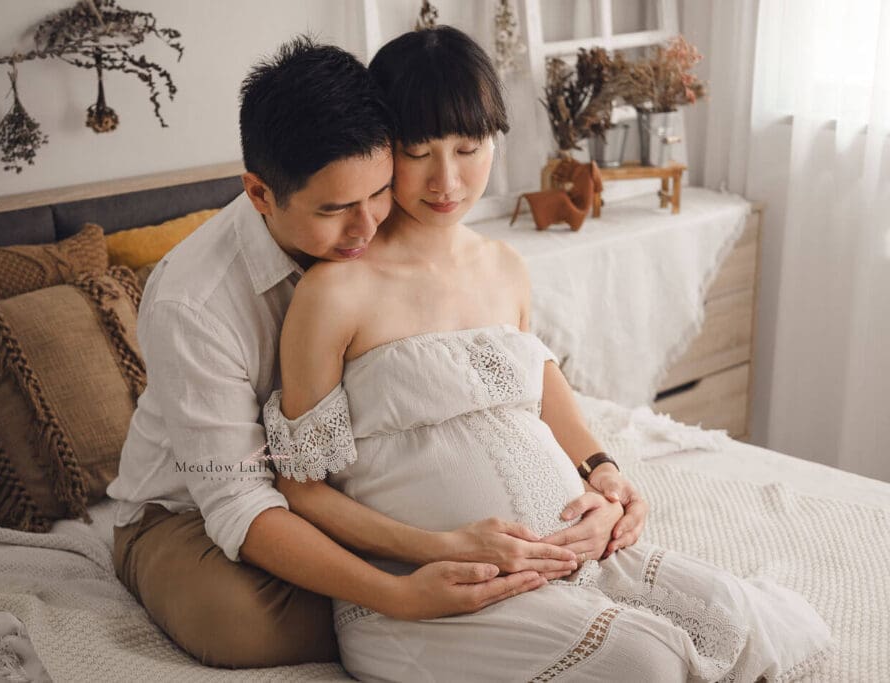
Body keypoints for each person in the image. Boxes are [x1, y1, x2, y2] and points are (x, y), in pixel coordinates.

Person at [263, 26, 832, 681]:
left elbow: (539, 386)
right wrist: (441, 546)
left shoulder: (504, 266)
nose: (446, 179)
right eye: (417, 152)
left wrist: (605, 475)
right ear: (381, 150)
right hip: (435, 592)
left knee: (732, 616)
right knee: (650, 660)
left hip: (574, 559)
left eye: (468, 148)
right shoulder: (334, 292)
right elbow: (300, 492)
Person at [106, 36, 633, 669]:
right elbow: (242, 499)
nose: (365, 227)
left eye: (379, 191)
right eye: (335, 210)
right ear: (260, 193)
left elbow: (515, 356)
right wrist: (401, 591)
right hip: (194, 507)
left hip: (355, 487)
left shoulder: (411, 226)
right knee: (252, 628)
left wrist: (593, 465)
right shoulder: (193, 301)